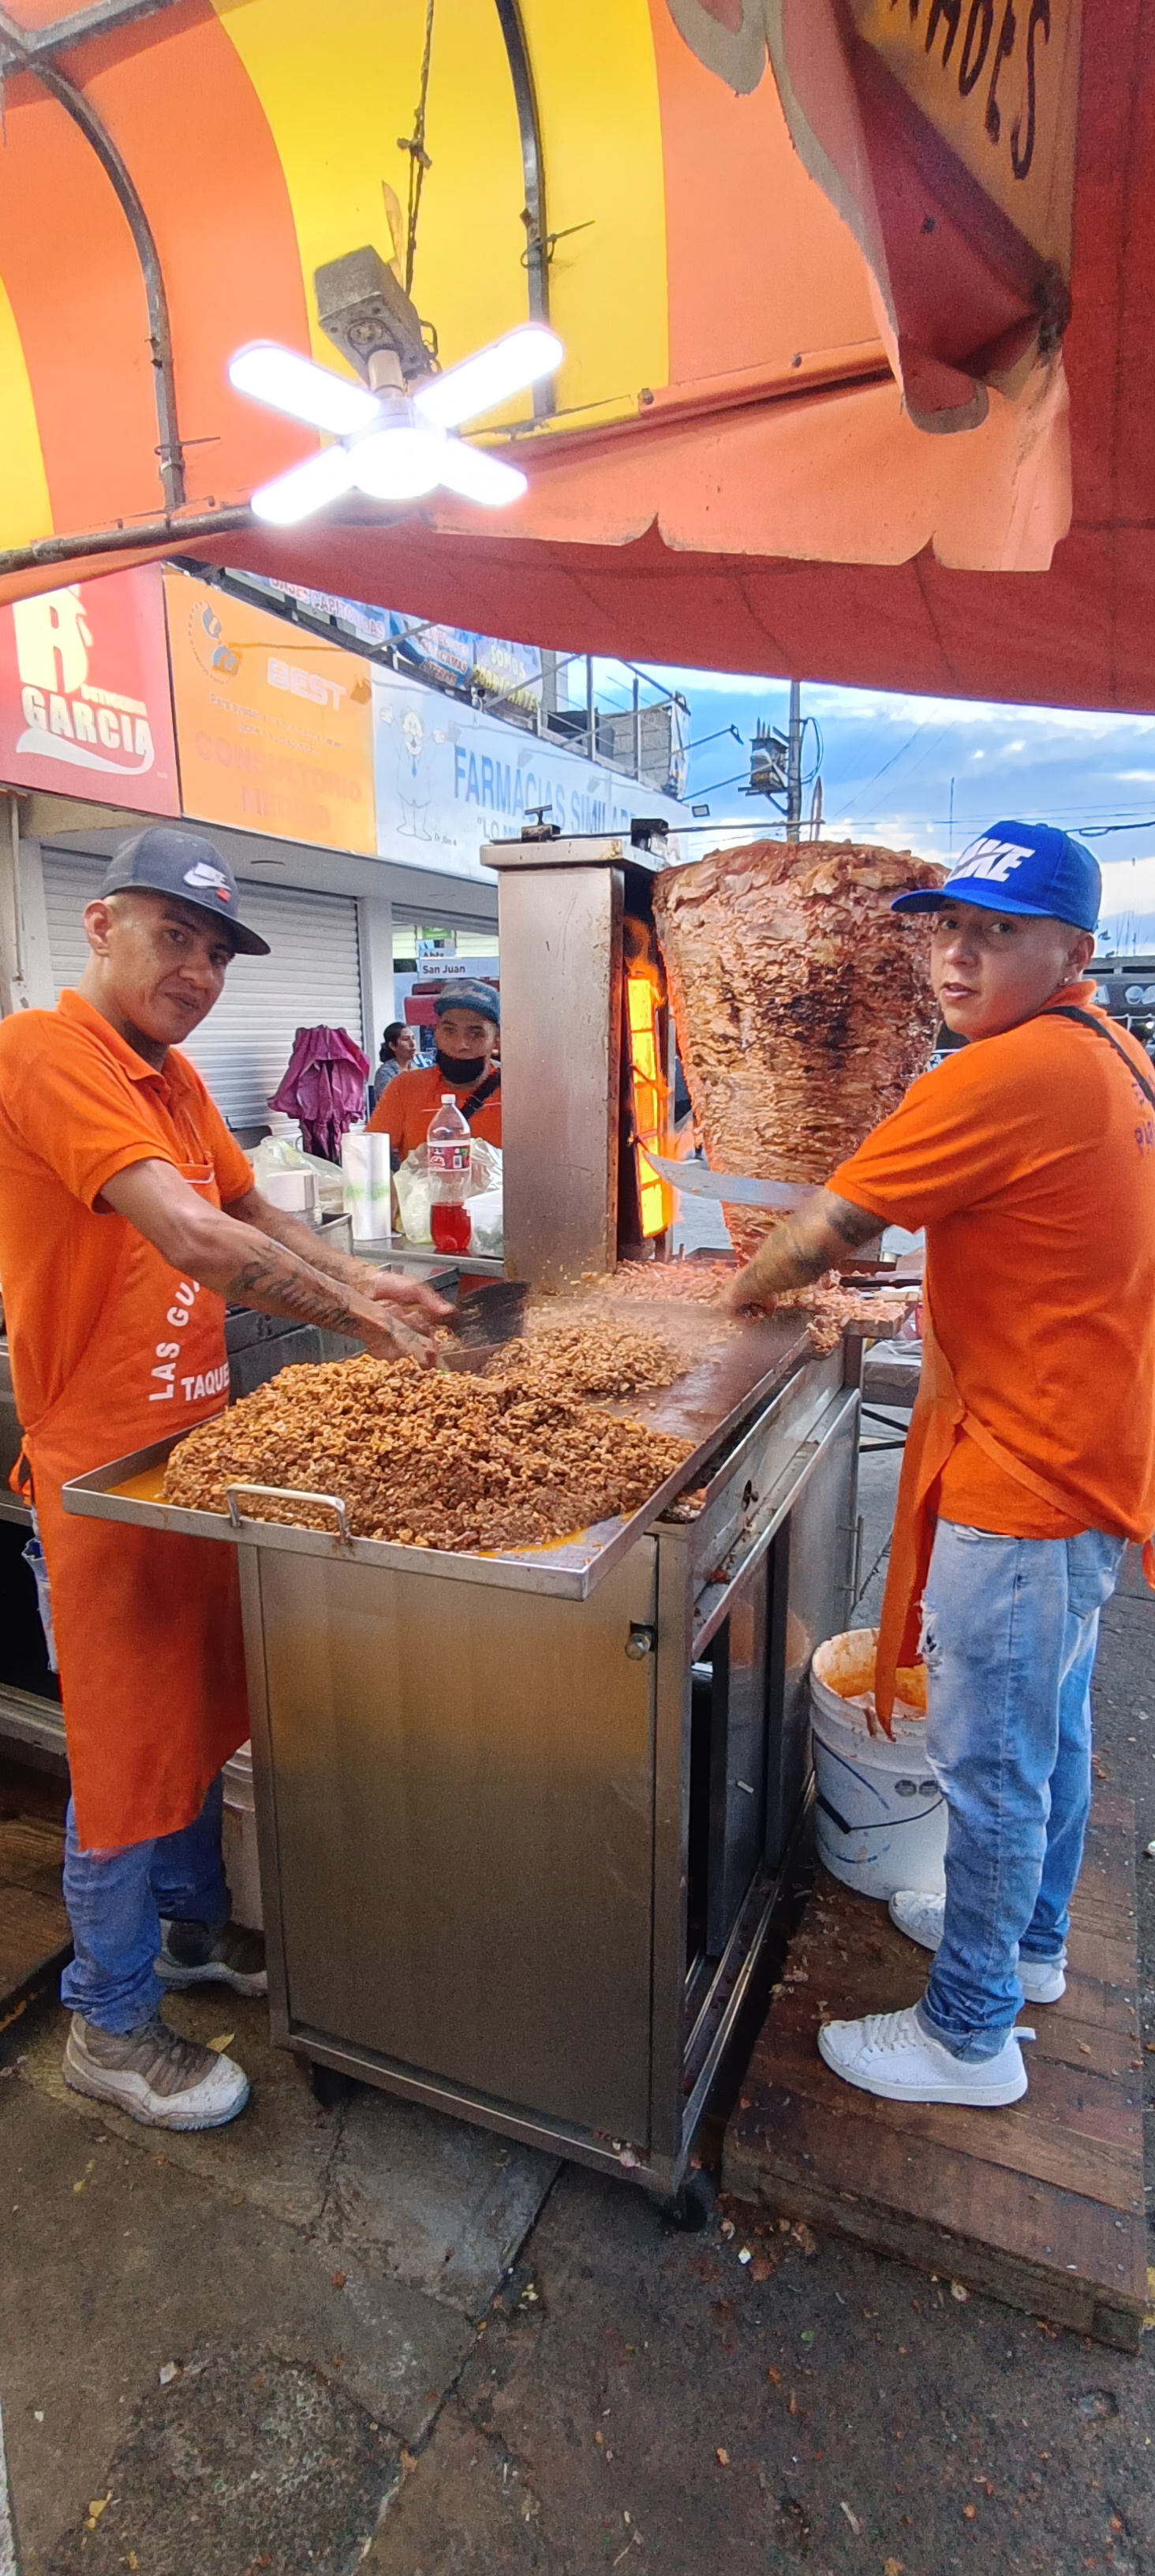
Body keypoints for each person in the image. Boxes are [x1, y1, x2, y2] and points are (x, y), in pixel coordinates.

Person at [0, 826, 447, 2133]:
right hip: (100, 1475)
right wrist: (353, 1318)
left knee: (200, 1710)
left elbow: (247, 1207)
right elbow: (190, 1233)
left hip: (195, 1459)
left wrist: (365, 1278)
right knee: (123, 1753)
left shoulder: (177, 1076)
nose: (196, 970)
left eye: (216, 952)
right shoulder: (47, 1051)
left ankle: (190, 1930)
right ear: (101, 924)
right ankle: (108, 2020)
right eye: (174, 936)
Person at [723, 822, 1155, 2110]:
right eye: (948, 928)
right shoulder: (1111, 1052)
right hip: (1091, 1454)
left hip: (1026, 1476)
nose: (957, 956)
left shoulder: (1003, 1072)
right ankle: (1024, 1950)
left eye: (998, 932)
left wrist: (725, 1302)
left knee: (991, 1763)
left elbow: (825, 1227)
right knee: (1048, 1731)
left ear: (1071, 952)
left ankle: (967, 2034)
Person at [366, 981, 502, 1163]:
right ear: (436, 1033)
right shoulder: (405, 1088)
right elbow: (368, 1157)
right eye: (449, 1030)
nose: (460, 1044)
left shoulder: (518, 1096)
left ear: (496, 1040)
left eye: (476, 1033)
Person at [371, 1020, 417, 1104]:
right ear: (393, 1046)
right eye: (405, 1039)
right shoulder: (385, 1072)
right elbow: (390, 1103)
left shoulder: (415, 1068)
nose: (412, 1044)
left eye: (413, 1038)